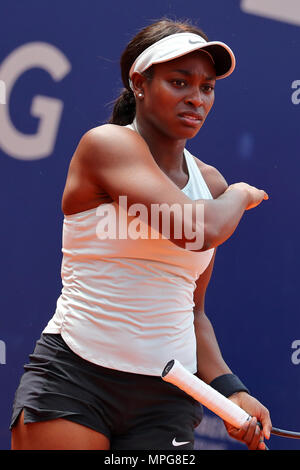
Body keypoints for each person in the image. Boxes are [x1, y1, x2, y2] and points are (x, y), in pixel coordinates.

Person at [10, 18, 272, 451]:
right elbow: (197, 231)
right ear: (139, 83)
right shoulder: (106, 144)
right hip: (75, 379)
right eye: (179, 81)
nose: (196, 98)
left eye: (207, 87)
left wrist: (231, 390)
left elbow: (192, 311)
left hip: (167, 400)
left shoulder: (211, 185)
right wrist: (241, 195)